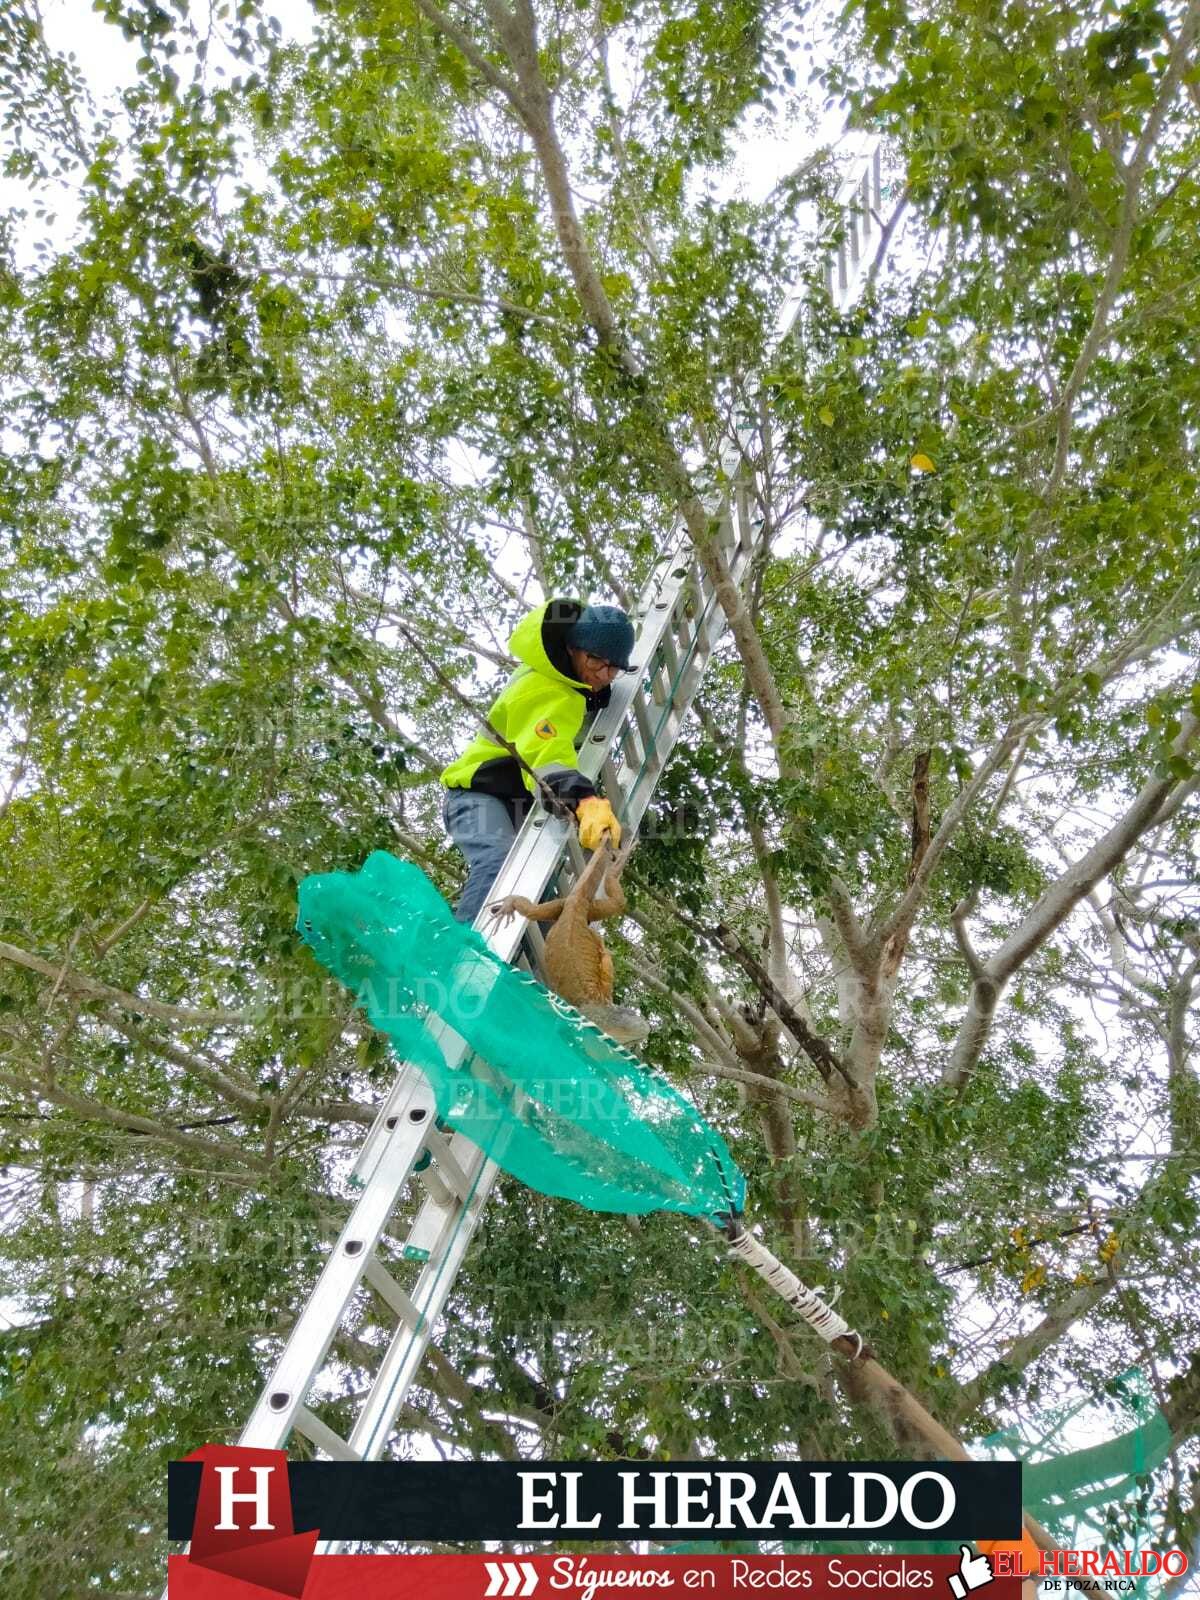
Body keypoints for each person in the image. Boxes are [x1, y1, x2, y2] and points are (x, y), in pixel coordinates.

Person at [441, 598, 634, 925]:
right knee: (497, 865)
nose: (603, 675)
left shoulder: (575, 690)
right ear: (573, 648)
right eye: (596, 662)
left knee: (535, 902)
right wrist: (585, 801)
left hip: (520, 806)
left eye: (614, 668)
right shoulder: (541, 687)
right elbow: (545, 756)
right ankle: (460, 963)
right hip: (476, 795)